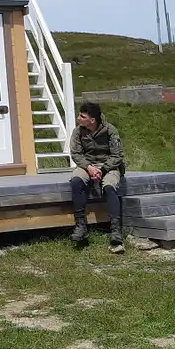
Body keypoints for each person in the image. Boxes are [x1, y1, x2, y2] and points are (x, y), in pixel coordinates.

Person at [69, 102, 125, 253]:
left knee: (109, 187)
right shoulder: (78, 132)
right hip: (87, 165)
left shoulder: (110, 130)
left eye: (82, 116)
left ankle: (115, 231)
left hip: (109, 166)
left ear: (92, 120)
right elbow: (76, 154)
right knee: (76, 181)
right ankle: (81, 226)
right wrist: (89, 168)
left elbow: (117, 155)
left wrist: (103, 169)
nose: (78, 118)